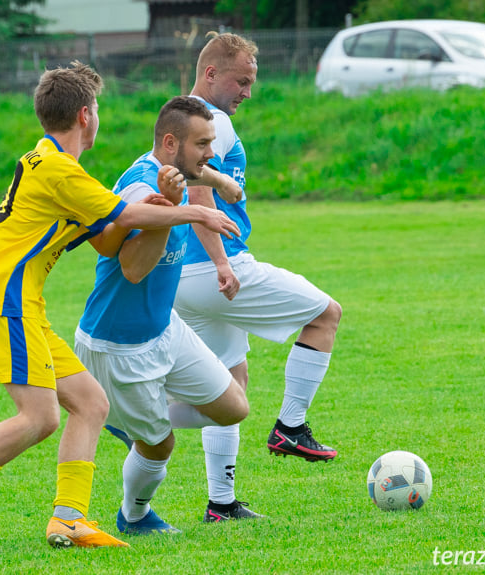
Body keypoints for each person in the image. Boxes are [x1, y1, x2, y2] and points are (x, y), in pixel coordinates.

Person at [0, 62, 241, 555]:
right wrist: (197, 209)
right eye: (98, 109)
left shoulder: (56, 166)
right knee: (39, 418)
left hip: (21, 305)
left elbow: (107, 242)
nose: (99, 117)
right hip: (4, 302)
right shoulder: (59, 170)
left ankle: (69, 520)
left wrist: (167, 208)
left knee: (90, 403)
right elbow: (123, 215)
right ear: (86, 115)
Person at [173, 33, 343, 521]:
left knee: (228, 386)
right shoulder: (213, 121)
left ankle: (221, 504)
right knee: (325, 315)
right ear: (211, 74)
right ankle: (291, 428)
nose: (248, 90)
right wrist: (224, 262)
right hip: (216, 267)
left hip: (180, 277)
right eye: (241, 80)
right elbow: (199, 185)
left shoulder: (175, 119)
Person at [75, 96, 251, 536]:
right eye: (202, 144)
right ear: (170, 143)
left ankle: (123, 417)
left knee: (234, 407)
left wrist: (208, 194)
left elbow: (199, 174)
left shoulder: (174, 170)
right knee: (160, 446)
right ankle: (134, 517)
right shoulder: (139, 187)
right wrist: (175, 214)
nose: (211, 155)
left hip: (164, 329)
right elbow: (133, 269)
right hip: (119, 343)